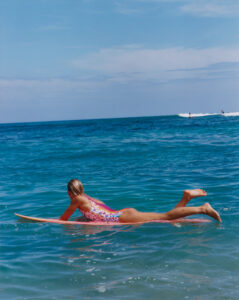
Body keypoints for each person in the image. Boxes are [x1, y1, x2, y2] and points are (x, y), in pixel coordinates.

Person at [59, 179, 221, 223]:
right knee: (169, 219)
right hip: (122, 213)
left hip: (121, 218)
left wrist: (52, 222)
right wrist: (85, 218)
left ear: (69, 192)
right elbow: (98, 210)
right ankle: (186, 199)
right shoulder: (87, 198)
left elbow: (63, 219)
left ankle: (203, 209)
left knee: (165, 216)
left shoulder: (76, 200)